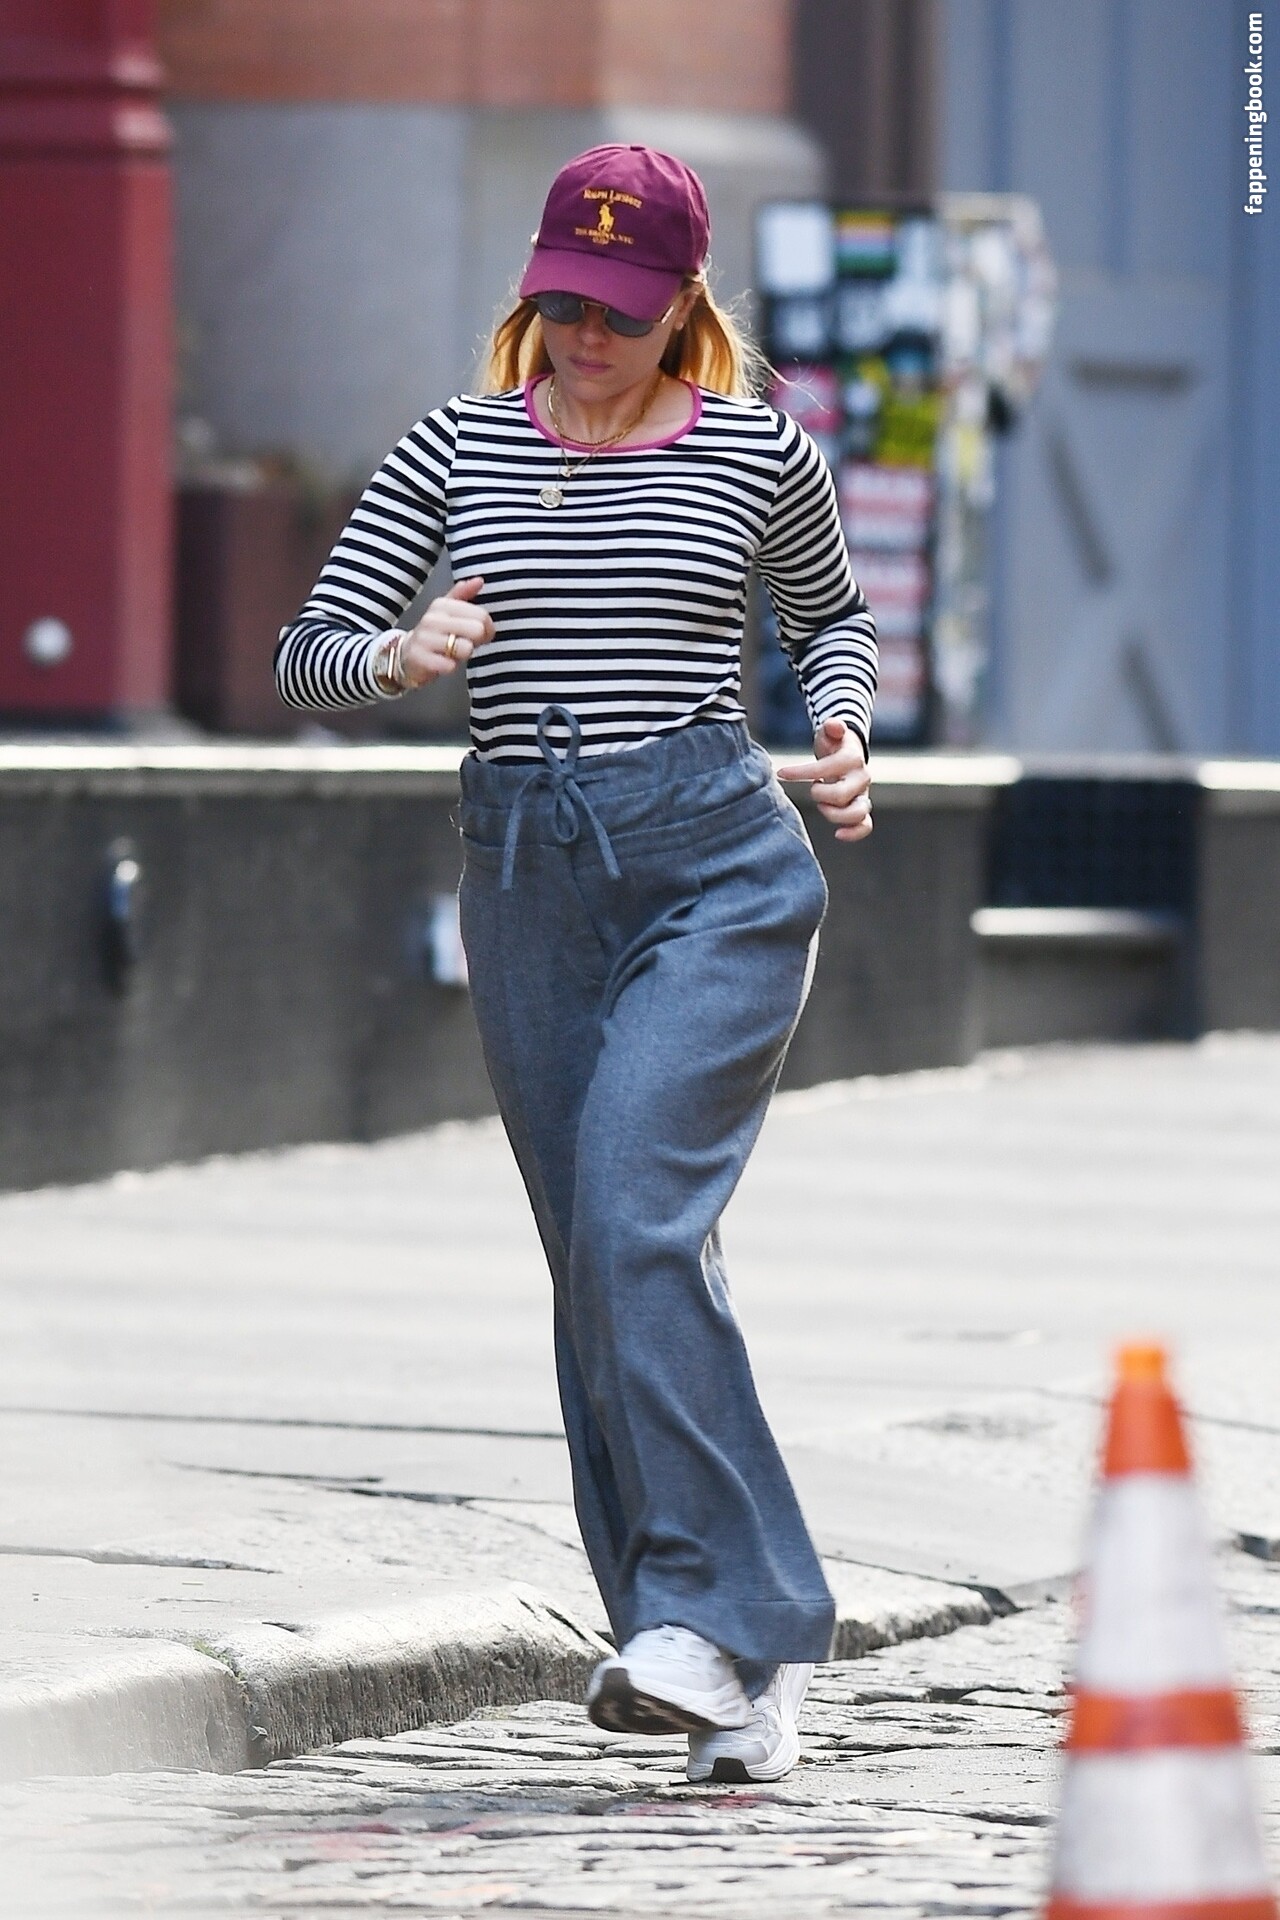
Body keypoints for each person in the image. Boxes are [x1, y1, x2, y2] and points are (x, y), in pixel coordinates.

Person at [275, 144, 876, 1784]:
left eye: (617, 310)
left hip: (716, 868)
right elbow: (305, 652)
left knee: (629, 1215)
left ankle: (708, 1615)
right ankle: (722, 1656)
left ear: (682, 303)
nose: (584, 337)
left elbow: (830, 620)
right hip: (526, 877)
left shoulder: (757, 451)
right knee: (603, 1264)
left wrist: (841, 724)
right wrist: (400, 655)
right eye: (562, 304)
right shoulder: (453, 444)